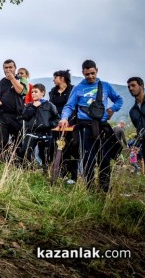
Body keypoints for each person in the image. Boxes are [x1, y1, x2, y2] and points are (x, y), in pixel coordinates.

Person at [58, 60, 123, 192]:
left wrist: (112, 109)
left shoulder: (105, 86)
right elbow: (69, 106)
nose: (90, 76)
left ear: (97, 70)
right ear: (83, 73)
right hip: (85, 128)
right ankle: (90, 190)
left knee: (104, 159)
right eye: (87, 74)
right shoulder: (78, 88)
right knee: (89, 160)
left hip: (102, 127)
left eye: (92, 73)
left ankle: (104, 190)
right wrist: (64, 118)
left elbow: (119, 99)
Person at [0, 59, 28, 162]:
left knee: (18, 142)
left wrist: (12, 79)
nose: (8, 70)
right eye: (6, 68)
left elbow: (22, 91)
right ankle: (2, 163)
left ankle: (18, 164)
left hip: (17, 116)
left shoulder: (22, 79)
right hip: (1, 116)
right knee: (1, 142)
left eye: (10, 67)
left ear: (15, 68)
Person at [20, 84, 59, 174]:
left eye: (36, 92)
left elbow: (57, 118)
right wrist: (33, 107)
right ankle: (27, 172)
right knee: (25, 152)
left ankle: (46, 172)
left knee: (45, 154)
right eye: (32, 92)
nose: (33, 94)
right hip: (31, 133)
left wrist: (49, 124)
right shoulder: (29, 105)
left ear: (42, 93)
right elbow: (25, 117)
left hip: (45, 133)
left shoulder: (49, 105)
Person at [49, 69, 77, 184]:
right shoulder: (52, 92)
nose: (53, 79)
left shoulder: (73, 90)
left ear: (62, 78)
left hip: (71, 123)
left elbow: (74, 106)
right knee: (58, 148)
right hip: (57, 125)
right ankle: (62, 173)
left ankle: (74, 175)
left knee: (71, 149)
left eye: (55, 77)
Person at [127, 76, 145, 190]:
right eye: (129, 86)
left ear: (141, 86)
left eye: (133, 85)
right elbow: (139, 129)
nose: (130, 88)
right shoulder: (132, 111)